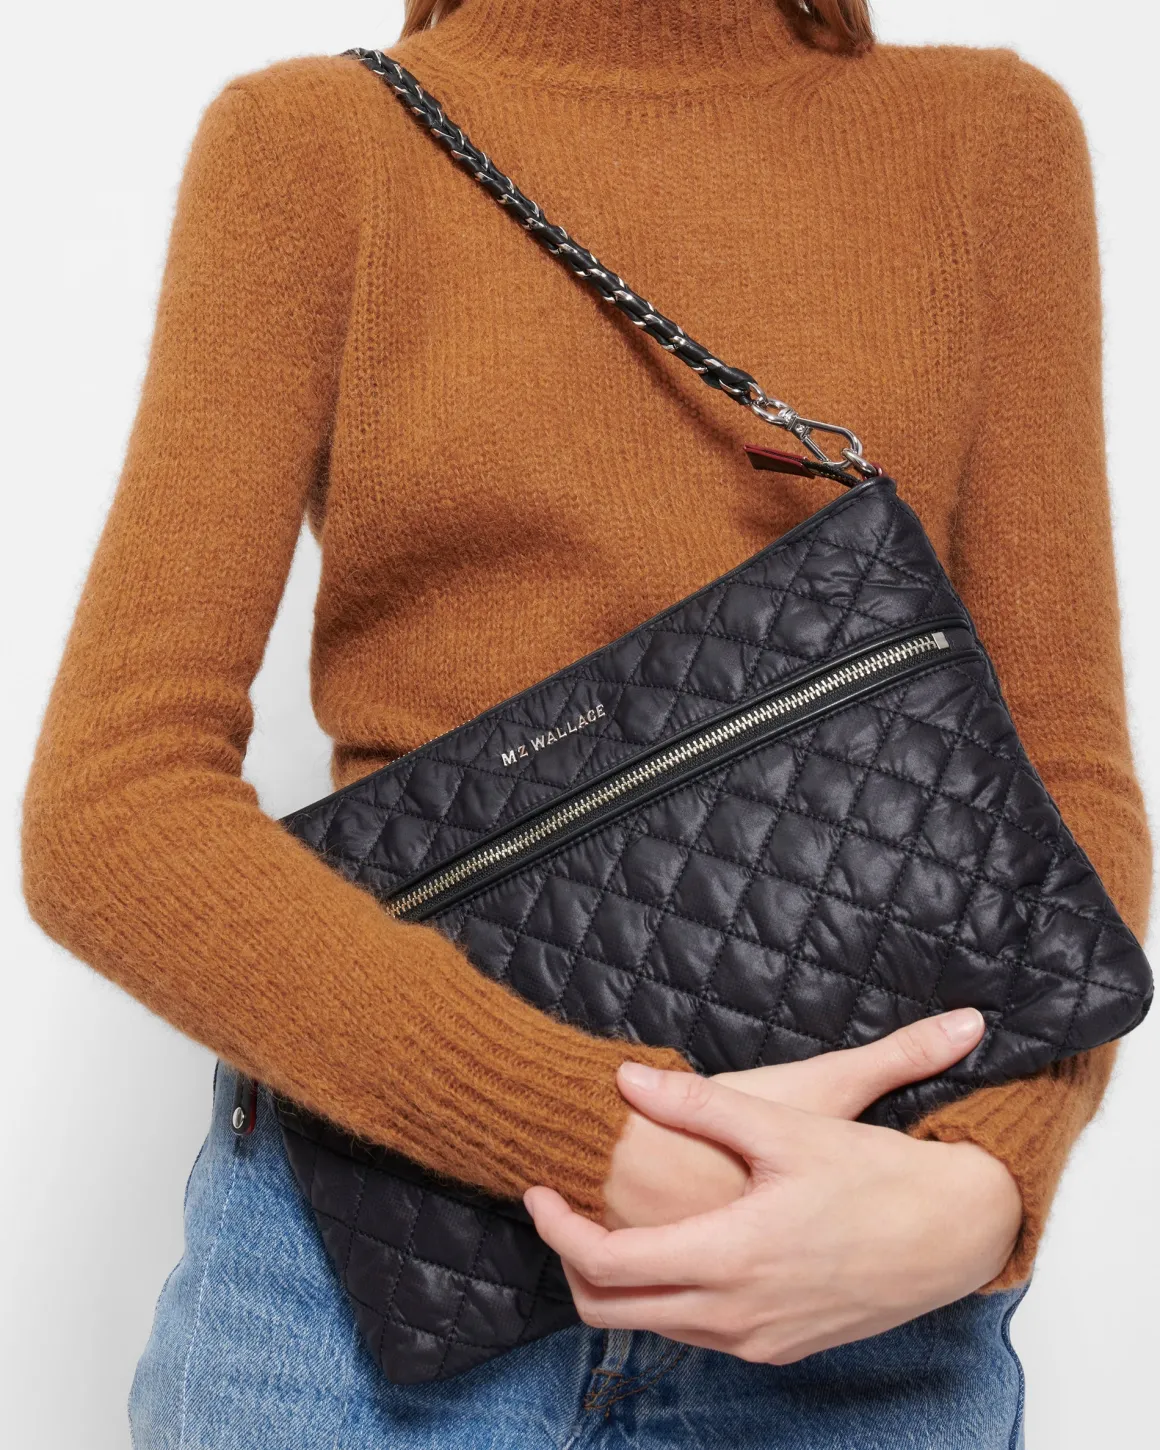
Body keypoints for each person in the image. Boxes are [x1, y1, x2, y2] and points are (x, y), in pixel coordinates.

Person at [21, 1, 1150, 1446]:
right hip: (362, 1303)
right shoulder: (316, 147)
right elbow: (108, 807)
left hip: (865, 1307)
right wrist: (600, 1139)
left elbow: (1060, 773)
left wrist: (988, 1184)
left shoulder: (989, 143)